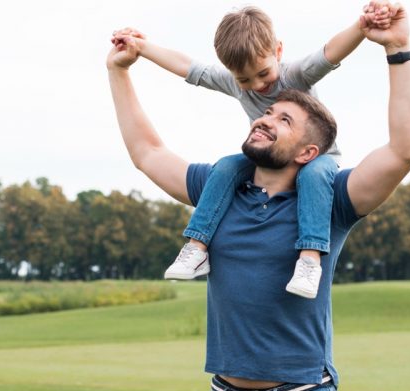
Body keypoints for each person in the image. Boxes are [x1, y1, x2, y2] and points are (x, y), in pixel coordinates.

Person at [108, 2, 410, 391]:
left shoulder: (333, 199)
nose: (265, 114)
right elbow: (147, 153)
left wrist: (398, 50)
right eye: (267, 112)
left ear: (308, 152)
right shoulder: (218, 190)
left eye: (284, 118)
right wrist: (121, 70)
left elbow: (406, 149)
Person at [112, 4, 393, 300]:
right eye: (244, 80)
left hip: (317, 160)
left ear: (278, 51)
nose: (256, 86)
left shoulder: (294, 75)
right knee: (225, 167)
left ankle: (310, 259)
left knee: (313, 175)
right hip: (266, 158)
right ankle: (197, 246)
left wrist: (362, 28)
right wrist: (141, 47)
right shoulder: (236, 84)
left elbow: (330, 53)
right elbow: (189, 67)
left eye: (263, 73)